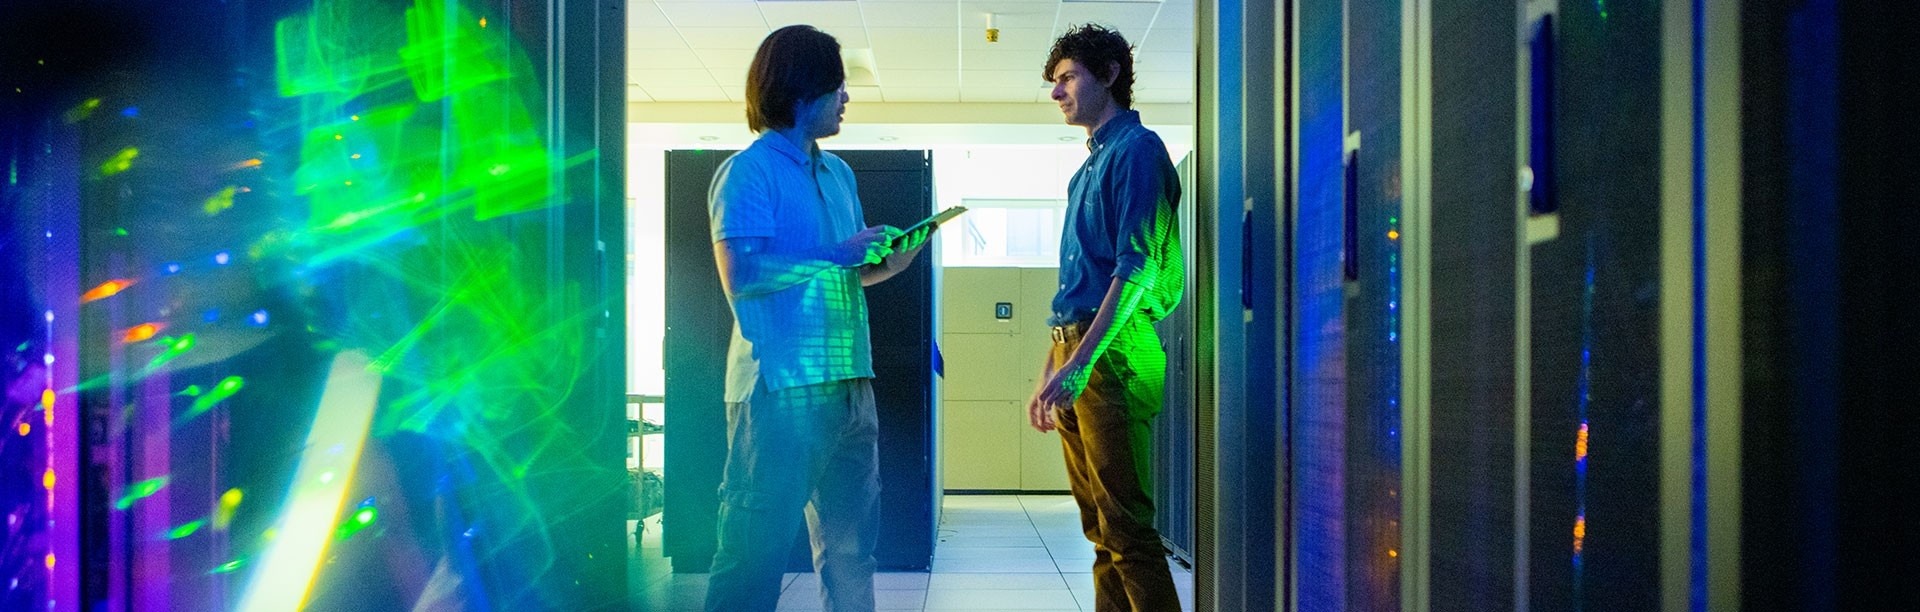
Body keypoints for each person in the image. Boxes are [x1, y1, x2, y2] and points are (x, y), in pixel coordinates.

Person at [704, 24, 931, 612]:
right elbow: (743, 274)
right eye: (839, 86)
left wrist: (894, 262)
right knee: (751, 559)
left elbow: (846, 274)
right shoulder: (748, 171)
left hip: (852, 387)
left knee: (853, 555)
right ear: (803, 90)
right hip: (779, 392)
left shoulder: (840, 175)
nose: (847, 99)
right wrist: (835, 253)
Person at [1026, 23, 1185, 612]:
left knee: (1127, 531)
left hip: (1113, 352)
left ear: (1110, 75)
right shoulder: (1085, 172)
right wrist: (1052, 367)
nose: (1056, 92)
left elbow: (1136, 268)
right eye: (1055, 81)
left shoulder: (1138, 152)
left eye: (1067, 77)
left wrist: (1080, 363)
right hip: (1078, 351)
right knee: (1099, 529)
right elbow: (1074, 291)